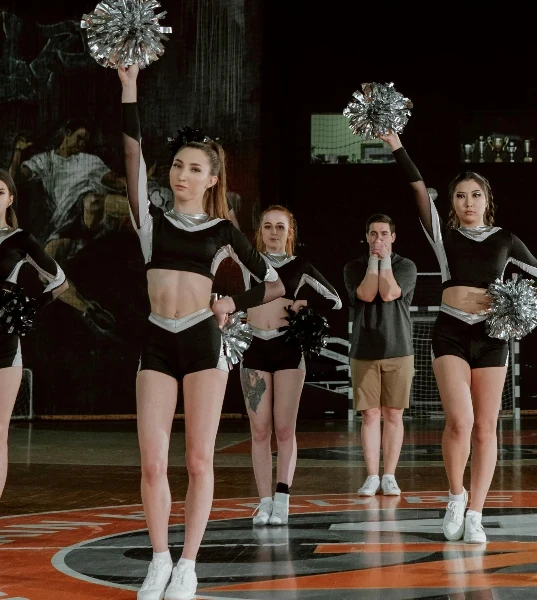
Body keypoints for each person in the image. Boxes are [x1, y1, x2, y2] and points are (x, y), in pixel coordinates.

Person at [118, 64, 284, 600]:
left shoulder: (224, 230)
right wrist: (129, 85)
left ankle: (189, 563)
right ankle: (159, 559)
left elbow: (274, 282)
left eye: (195, 169)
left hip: (203, 344)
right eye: (178, 166)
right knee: (150, 460)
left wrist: (234, 301)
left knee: (197, 460)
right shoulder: (151, 222)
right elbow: (131, 158)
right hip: (157, 343)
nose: (182, 174)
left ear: (213, 179)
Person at [379, 131, 537, 544]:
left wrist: (512, 301)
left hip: (492, 336)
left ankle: (476, 511)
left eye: (475, 195)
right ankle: (456, 496)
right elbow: (418, 187)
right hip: (451, 331)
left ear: (486, 200)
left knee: (486, 428)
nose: (468, 202)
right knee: (460, 421)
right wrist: (396, 143)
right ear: (452, 204)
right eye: (460, 196)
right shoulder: (443, 236)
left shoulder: (505, 238)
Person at [241, 205, 342, 526]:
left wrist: (303, 305)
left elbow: (336, 299)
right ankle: (265, 501)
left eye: (280, 227)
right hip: (254, 349)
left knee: (284, 429)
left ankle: (283, 498)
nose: (273, 232)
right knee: (259, 430)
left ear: (289, 233)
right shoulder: (250, 263)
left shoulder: (301, 265)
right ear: (260, 232)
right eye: (268, 226)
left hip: (287, 350)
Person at [9, 121, 125, 334]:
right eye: (79, 137)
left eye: (86, 141)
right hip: (66, 225)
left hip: (90, 215)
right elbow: (13, 181)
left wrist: (143, 181)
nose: (82, 144)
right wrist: (17, 152)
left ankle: (150, 208)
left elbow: (115, 181)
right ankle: (88, 309)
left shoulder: (89, 160)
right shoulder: (45, 161)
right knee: (44, 271)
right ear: (67, 133)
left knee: (93, 201)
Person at [0, 169, 68, 501]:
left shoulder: (19, 239)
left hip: (4, 343)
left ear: (10, 199)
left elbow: (60, 280)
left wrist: (27, 308)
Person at [343, 213, 417, 497]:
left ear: (393, 237)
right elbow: (366, 292)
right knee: (370, 415)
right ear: (366, 236)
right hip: (364, 350)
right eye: (373, 234)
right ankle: (372, 475)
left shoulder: (406, 266)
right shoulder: (354, 267)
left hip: (398, 349)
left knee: (394, 414)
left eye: (384, 234)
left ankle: (389, 476)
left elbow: (388, 293)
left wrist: (384, 260)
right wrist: (374, 261)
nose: (378, 239)